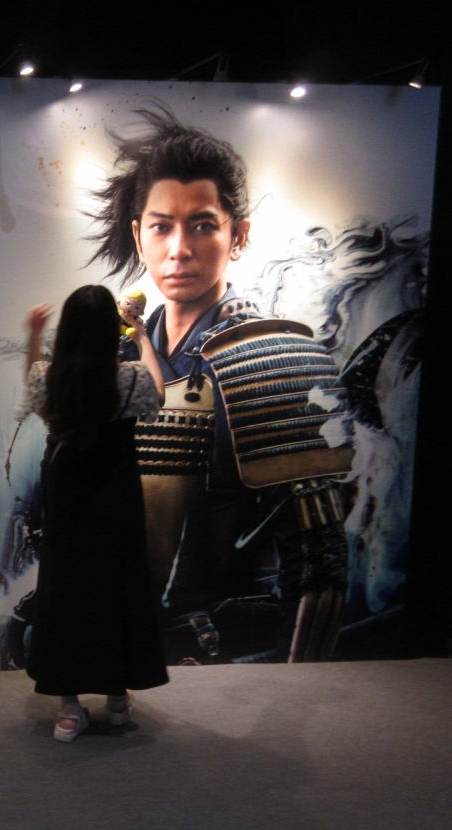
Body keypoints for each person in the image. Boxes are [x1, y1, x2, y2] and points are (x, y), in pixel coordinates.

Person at [89, 105, 352, 663]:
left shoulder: (270, 358)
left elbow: (318, 558)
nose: (179, 248)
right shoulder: (118, 352)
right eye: (162, 226)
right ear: (139, 235)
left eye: (203, 224)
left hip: (221, 663)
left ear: (238, 235)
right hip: (119, 639)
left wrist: (294, 687)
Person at [15, 285, 169, 742]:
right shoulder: (130, 378)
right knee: (118, 587)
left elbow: (32, 391)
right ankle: (117, 699)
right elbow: (159, 394)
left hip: (67, 498)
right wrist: (144, 338)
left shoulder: (51, 377)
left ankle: (68, 710)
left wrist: (33, 336)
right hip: (116, 496)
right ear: (108, 330)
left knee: (66, 591)